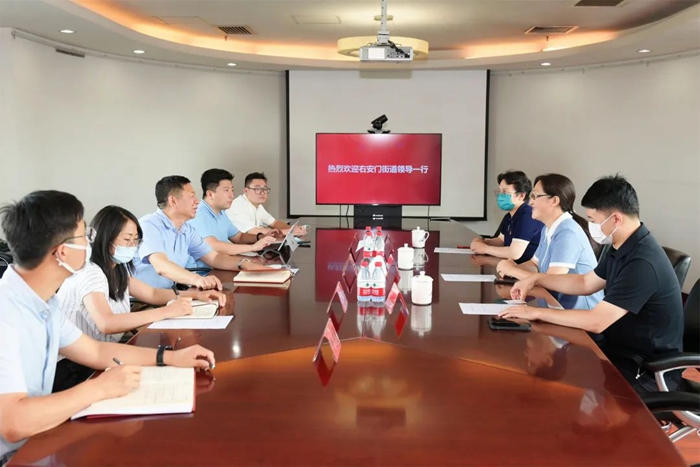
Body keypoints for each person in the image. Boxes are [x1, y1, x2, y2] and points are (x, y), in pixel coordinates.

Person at [0, 191, 215, 463]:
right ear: (62, 251)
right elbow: (14, 422)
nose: (90, 242)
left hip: (38, 443)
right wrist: (98, 389)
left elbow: (96, 351)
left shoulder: (45, 302)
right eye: (83, 236)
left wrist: (171, 357)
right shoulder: (6, 314)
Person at [499, 175, 684, 394]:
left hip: (645, 369)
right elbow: (585, 282)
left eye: (594, 221)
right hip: (617, 349)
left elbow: (597, 321)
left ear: (616, 219)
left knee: (561, 390)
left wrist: (535, 312)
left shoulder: (642, 262)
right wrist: (536, 279)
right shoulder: (623, 246)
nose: (591, 226)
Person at [55, 205, 226, 392]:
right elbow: (107, 323)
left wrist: (195, 294)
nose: (132, 246)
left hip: (101, 355)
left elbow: (152, 293)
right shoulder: (91, 272)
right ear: (105, 238)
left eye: (136, 240)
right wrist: (166, 312)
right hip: (72, 367)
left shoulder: (116, 268)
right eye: (127, 239)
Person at [133, 175, 272, 291]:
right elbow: (161, 266)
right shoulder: (149, 225)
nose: (197, 201)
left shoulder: (186, 229)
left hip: (171, 295)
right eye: (191, 196)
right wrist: (197, 279)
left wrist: (243, 264)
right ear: (173, 201)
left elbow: (214, 258)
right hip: (144, 303)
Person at [496, 173, 603, 311]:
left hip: (579, 312)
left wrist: (513, 270)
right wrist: (511, 267)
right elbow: (534, 264)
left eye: (535, 196)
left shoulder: (567, 232)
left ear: (554, 201)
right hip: (555, 305)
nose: (530, 202)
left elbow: (552, 282)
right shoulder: (547, 228)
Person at [188, 169, 277, 269]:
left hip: (220, 266)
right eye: (226, 190)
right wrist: (253, 247)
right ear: (210, 194)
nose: (232, 195)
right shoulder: (198, 214)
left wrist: (261, 237)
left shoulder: (221, 212)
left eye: (232, 190)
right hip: (202, 272)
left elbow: (238, 237)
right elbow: (214, 246)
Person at [470, 170, 543, 263]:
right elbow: (502, 240)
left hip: (527, 268)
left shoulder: (528, 216)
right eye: (499, 191)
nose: (500, 196)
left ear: (521, 195)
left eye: (505, 192)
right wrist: (483, 242)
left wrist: (485, 249)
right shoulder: (510, 216)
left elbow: (514, 253)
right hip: (512, 265)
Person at [227, 172, 306, 237]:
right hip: (235, 248)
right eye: (257, 189)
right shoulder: (236, 206)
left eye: (265, 189)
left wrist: (293, 229)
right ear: (246, 191)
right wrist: (287, 232)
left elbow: (274, 223)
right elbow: (252, 231)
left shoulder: (258, 205)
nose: (263, 193)